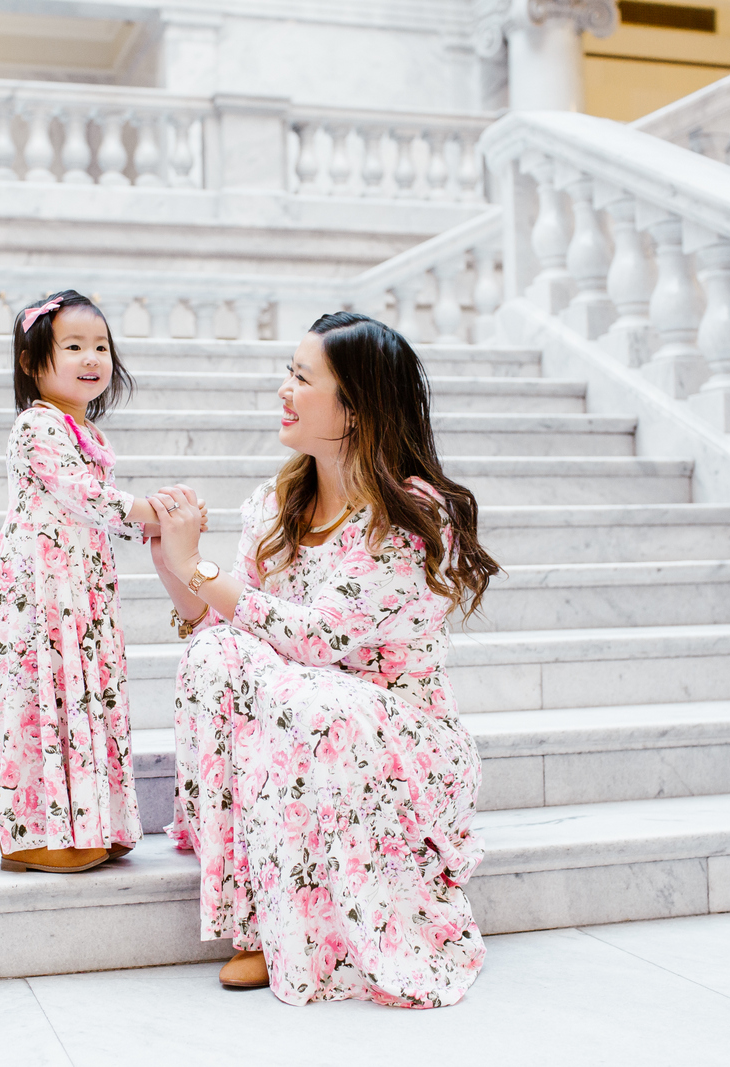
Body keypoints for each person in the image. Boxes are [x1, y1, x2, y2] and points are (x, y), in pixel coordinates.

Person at [146, 311, 500, 1007]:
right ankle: (252, 919)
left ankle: (313, 935)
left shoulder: (410, 517)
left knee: (307, 698)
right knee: (216, 654)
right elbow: (221, 621)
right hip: (300, 717)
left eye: (303, 378)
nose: (285, 389)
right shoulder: (276, 503)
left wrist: (201, 567)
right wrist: (173, 562)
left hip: (397, 736)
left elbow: (319, 638)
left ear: (355, 408)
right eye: (289, 371)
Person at [0, 289, 204, 874]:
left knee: (81, 695)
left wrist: (160, 521)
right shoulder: (36, 425)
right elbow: (84, 495)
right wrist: (159, 510)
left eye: (101, 347)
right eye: (73, 346)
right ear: (31, 361)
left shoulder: (86, 431)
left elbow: (96, 511)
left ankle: (92, 821)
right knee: (39, 698)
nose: (92, 358)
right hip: (38, 592)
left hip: (78, 592)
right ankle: (31, 832)